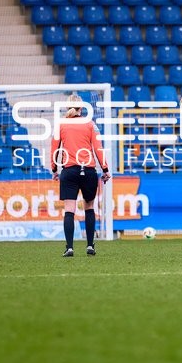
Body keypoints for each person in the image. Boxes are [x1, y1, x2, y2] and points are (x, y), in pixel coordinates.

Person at [50, 94, 111, 257]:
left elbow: (55, 149)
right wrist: (105, 170)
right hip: (88, 171)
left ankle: (69, 247)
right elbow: (98, 148)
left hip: (69, 171)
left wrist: (54, 169)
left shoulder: (60, 124)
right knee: (89, 207)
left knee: (69, 209)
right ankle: (90, 246)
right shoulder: (90, 124)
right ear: (82, 108)